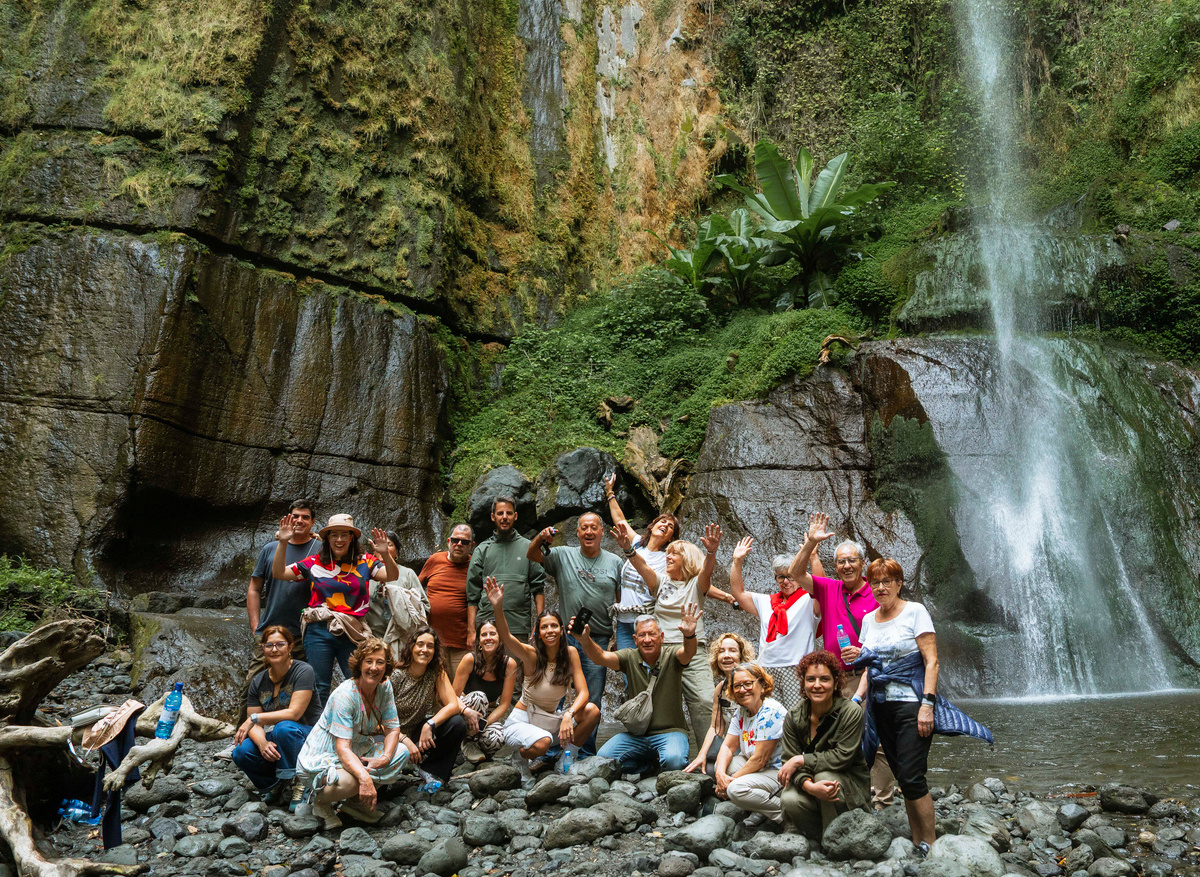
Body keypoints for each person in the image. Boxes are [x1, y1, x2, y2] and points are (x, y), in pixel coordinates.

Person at [848, 558, 992, 857]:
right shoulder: (868, 620)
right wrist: (857, 699)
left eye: (888, 581)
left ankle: (932, 844)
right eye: (875, 581)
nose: (881, 587)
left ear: (899, 583)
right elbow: (869, 669)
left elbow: (931, 661)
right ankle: (917, 841)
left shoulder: (915, 612)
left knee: (913, 775)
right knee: (902, 775)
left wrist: (927, 705)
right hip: (881, 708)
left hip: (912, 705)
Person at [788, 512, 895, 807]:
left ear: (862, 564)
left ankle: (882, 801)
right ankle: (850, 798)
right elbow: (797, 574)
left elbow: (892, 636)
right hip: (837, 680)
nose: (846, 565)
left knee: (879, 739)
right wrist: (810, 543)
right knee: (839, 739)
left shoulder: (877, 593)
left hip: (871, 675)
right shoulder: (829, 587)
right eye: (841, 561)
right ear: (835, 566)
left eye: (852, 560)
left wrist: (865, 652)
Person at [615, 522, 736, 746]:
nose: (667, 558)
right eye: (667, 554)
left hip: (692, 650)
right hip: (662, 653)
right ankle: (649, 754)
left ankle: (712, 756)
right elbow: (643, 567)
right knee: (653, 703)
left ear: (687, 559)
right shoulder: (660, 581)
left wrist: (711, 552)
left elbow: (706, 572)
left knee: (704, 701)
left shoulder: (696, 585)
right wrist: (629, 550)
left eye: (674, 554)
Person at [271, 514, 399, 707]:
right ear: (327, 538)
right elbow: (279, 573)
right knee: (320, 685)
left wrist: (385, 554)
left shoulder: (366, 561)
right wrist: (283, 543)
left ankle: (356, 728)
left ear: (352, 538)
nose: (339, 540)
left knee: (357, 681)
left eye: (344, 535)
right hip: (319, 629)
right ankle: (319, 731)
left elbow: (391, 575)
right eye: (334, 535)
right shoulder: (313, 562)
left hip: (352, 630)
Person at [528, 512, 622, 755]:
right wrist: (541, 537)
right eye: (584, 528)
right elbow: (532, 554)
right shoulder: (562, 555)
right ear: (577, 533)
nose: (589, 532)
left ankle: (586, 752)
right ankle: (549, 752)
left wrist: (615, 637)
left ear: (602, 532)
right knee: (555, 695)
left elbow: (621, 603)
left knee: (592, 697)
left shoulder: (615, 562)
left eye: (594, 527)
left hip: (597, 639)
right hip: (565, 638)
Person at [484, 577, 600, 776]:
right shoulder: (531, 655)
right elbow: (507, 638)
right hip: (522, 722)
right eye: (544, 627)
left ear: (562, 630)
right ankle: (519, 758)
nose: (550, 631)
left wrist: (569, 714)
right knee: (543, 742)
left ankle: (567, 757)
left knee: (592, 711)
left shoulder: (571, 653)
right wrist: (498, 607)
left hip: (550, 721)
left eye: (554, 626)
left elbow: (584, 693)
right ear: (537, 632)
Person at [295, 637, 408, 830]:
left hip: (357, 750)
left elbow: (392, 728)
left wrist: (385, 757)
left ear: (386, 666)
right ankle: (320, 803)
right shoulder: (344, 696)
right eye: (369, 661)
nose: (374, 667)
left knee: (401, 752)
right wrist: (365, 780)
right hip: (324, 757)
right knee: (353, 781)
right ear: (359, 664)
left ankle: (354, 804)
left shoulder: (385, 686)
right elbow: (342, 748)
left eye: (380, 662)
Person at [578, 608, 702, 776]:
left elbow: (688, 653)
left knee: (675, 761)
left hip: (670, 732)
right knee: (604, 758)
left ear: (662, 637)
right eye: (642, 635)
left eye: (652, 634)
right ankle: (647, 766)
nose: (647, 640)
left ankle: (656, 764)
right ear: (635, 640)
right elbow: (599, 657)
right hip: (637, 736)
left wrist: (689, 635)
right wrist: (585, 640)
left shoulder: (672, 655)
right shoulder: (629, 657)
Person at [239, 500, 320, 726]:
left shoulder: (321, 551)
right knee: (252, 683)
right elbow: (254, 588)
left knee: (304, 684)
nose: (299, 520)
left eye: (305, 517)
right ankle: (240, 735)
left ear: (313, 522)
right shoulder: (270, 549)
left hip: (305, 632)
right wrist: (256, 625)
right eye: (295, 516)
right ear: (287, 518)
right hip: (269, 629)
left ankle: (302, 736)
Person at [778, 649, 870, 839]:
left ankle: (834, 841)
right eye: (811, 679)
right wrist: (808, 786)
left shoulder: (851, 712)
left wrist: (800, 760)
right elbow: (788, 760)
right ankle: (823, 838)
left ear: (836, 682)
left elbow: (842, 757)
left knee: (825, 776)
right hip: (814, 785)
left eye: (824, 679)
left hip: (850, 788)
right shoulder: (794, 716)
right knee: (788, 799)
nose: (817, 685)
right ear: (803, 683)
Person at [230, 626, 323, 811]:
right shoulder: (258, 681)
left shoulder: (303, 671)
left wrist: (255, 718)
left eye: (280, 644)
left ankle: (301, 783)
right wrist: (263, 743)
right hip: (283, 736)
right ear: (263, 649)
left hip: (311, 736)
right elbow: (253, 724)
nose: (274, 649)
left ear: (290, 647)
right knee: (241, 751)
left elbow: (294, 713)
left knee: (284, 727)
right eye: (269, 645)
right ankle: (276, 784)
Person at [729, 536, 820, 707]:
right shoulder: (766, 602)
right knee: (770, 716)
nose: (786, 581)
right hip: (766, 668)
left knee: (796, 717)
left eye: (791, 576)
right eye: (781, 577)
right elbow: (738, 593)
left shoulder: (808, 599)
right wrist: (737, 562)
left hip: (795, 667)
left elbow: (821, 587)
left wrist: (813, 557)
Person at [604, 473, 678, 650]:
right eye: (663, 521)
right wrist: (609, 493)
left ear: (671, 538)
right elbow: (620, 519)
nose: (665, 525)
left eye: (670, 527)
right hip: (624, 622)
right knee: (628, 672)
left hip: (648, 623)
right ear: (652, 526)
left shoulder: (668, 558)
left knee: (647, 670)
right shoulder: (637, 543)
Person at [389, 626, 467, 796]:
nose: (425, 650)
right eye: (420, 644)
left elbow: (453, 704)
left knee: (458, 723)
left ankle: (431, 770)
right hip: (391, 736)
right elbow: (378, 720)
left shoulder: (435, 672)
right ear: (411, 647)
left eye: (430, 646)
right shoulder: (396, 675)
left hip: (417, 734)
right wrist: (404, 740)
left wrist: (429, 725)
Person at [713, 662, 788, 827]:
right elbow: (727, 747)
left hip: (779, 772)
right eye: (737, 686)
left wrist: (729, 781)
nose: (742, 689)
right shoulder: (742, 711)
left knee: (735, 790)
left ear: (762, 685)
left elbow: (760, 759)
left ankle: (785, 814)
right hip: (759, 767)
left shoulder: (770, 711)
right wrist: (720, 776)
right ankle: (760, 807)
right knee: (721, 764)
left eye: (748, 683)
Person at [466, 497, 546, 646]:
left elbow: (538, 588)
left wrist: (541, 621)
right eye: (500, 513)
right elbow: (472, 595)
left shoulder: (529, 548)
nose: (504, 517)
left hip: (518, 626)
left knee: (517, 669)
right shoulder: (482, 550)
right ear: (492, 516)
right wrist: (471, 631)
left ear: (515, 516)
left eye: (509, 513)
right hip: (487, 626)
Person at [684, 632, 756, 777]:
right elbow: (715, 728)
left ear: (742, 656)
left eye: (732, 651)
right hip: (735, 746)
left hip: (754, 745)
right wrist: (701, 755)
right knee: (709, 769)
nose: (726, 655)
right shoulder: (720, 689)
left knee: (720, 769)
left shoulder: (753, 685)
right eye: (721, 651)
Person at [452, 618, 517, 763]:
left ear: (500, 638)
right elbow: (453, 697)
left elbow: (504, 704)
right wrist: (467, 712)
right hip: (465, 711)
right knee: (479, 697)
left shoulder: (509, 664)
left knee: (499, 736)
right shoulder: (470, 659)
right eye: (484, 635)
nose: (488, 638)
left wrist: (484, 724)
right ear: (479, 641)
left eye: (492, 634)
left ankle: (477, 749)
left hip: (487, 715)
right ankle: (466, 741)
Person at [420, 524, 476, 674]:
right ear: (448, 541)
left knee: (459, 688)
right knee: (434, 687)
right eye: (455, 540)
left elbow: (477, 600)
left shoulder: (475, 566)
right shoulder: (434, 560)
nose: (459, 544)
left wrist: (473, 632)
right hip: (432, 641)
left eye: (464, 542)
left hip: (461, 642)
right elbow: (416, 589)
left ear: (472, 545)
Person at [366, 529, 430, 661]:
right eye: (379, 544)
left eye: (389, 545)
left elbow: (424, 606)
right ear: (373, 550)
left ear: (397, 552)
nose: (383, 548)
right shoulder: (366, 573)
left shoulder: (407, 574)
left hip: (401, 639)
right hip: (371, 639)